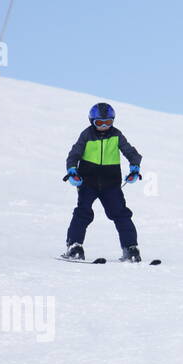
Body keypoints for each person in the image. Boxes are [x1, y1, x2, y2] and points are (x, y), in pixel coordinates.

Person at [62, 102, 144, 262]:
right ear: (92, 121)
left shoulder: (116, 135)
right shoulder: (86, 135)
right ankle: (74, 246)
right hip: (88, 182)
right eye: (99, 123)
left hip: (111, 184)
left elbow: (132, 153)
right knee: (82, 213)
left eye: (108, 123)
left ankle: (131, 249)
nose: (104, 126)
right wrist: (72, 170)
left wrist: (135, 168)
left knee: (121, 214)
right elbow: (74, 154)